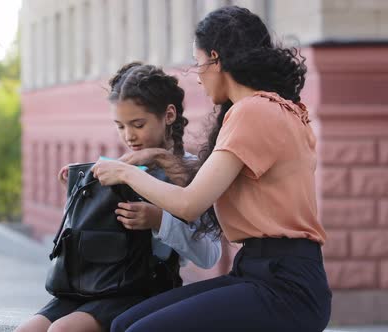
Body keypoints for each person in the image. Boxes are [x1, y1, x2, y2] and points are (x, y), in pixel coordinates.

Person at [91, 6, 332, 332]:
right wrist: (160, 159)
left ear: (216, 60)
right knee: (123, 324)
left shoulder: (254, 111)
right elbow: (210, 188)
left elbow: (190, 205)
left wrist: (125, 173)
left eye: (199, 62)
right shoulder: (270, 108)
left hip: (284, 286)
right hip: (260, 272)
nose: (199, 77)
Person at [13, 62, 222, 332]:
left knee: (64, 331)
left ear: (168, 115)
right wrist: (83, 194)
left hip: (142, 287)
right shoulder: (115, 167)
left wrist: (159, 220)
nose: (129, 136)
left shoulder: (195, 170)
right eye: (120, 126)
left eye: (137, 124)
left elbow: (209, 255)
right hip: (91, 283)